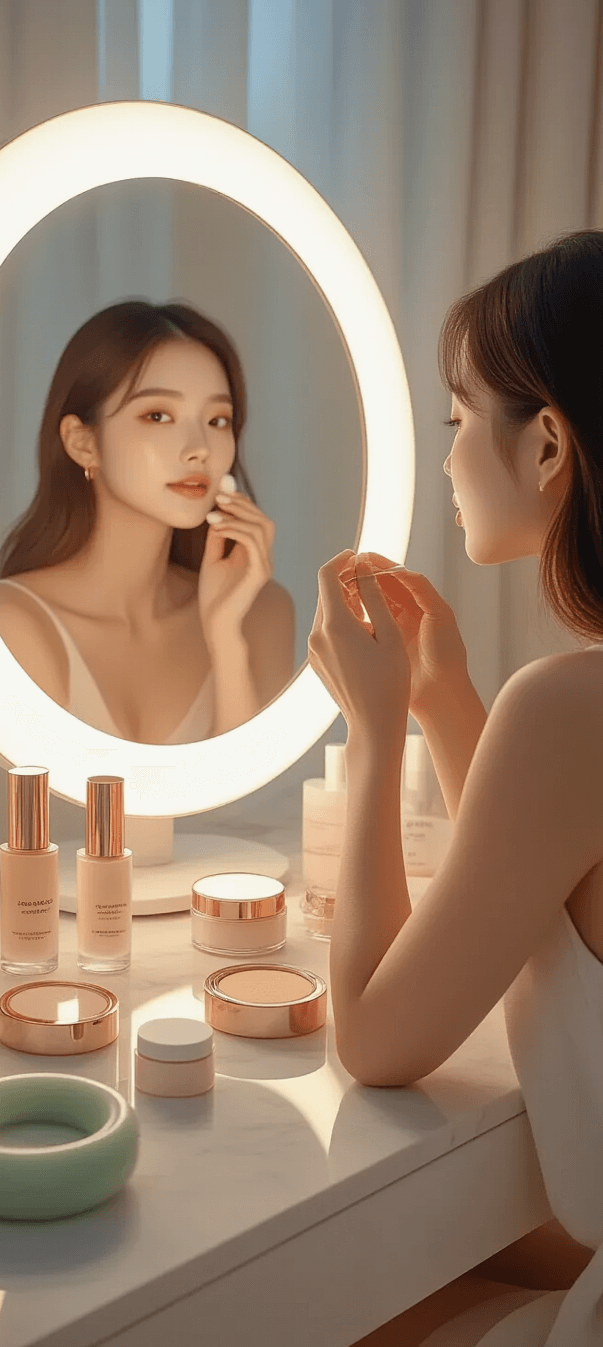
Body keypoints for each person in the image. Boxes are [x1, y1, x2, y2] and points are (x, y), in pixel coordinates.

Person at [308, 229, 603, 1345]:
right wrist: (441, 701)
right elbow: (548, 872)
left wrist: (374, 734)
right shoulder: (561, 720)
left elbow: (377, 1043)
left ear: (545, 447)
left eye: (455, 418)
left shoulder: (567, 706)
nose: (441, 458)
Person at [0, 300, 295, 743]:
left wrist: (227, 640)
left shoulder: (262, 613)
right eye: (158, 415)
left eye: (217, 419)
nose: (198, 448)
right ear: (83, 443)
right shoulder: (14, 623)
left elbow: (249, 802)